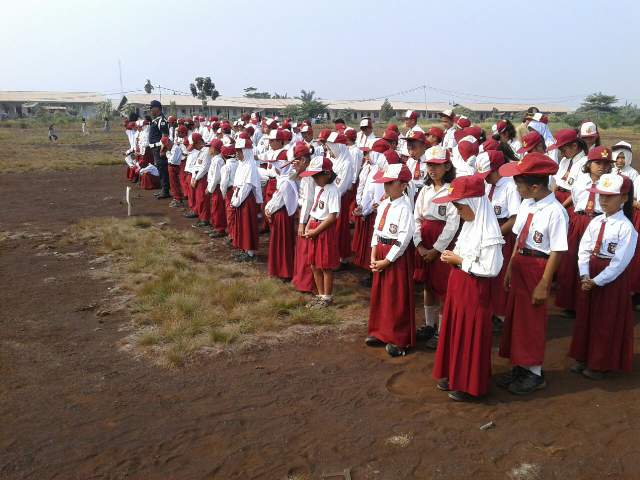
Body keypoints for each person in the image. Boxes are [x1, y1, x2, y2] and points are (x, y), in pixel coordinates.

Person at [497, 153, 568, 395]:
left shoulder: (556, 211)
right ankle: (520, 366)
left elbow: (557, 250)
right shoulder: (527, 204)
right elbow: (518, 238)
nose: (515, 187)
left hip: (538, 267)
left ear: (535, 186)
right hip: (520, 264)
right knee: (517, 318)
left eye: (519, 183)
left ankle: (534, 372)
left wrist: (545, 284)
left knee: (532, 322)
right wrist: (509, 267)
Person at [431, 174, 504, 402]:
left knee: (470, 334)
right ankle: (454, 374)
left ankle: (469, 383)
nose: (459, 212)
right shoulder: (470, 225)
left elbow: (491, 268)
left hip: (474, 289)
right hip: (460, 286)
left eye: (460, 207)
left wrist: (460, 261)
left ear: (474, 204)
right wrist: (453, 258)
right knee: (456, 331)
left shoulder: (489, 232)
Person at [570, 174, 637, 379]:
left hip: (610, 280)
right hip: (590, 272)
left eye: (610, 196)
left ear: (624, 198)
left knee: (605, 320)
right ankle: (583, 356)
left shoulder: (627, 228)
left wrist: (597, 281)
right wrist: (584, 274)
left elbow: (619, 262)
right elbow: (584, 248)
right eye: (601, 196)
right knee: (586, 317)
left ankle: (600, 363)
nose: (603, 200)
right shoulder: (596, 221)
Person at [366, 163, 416, 357]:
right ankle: (380, 331)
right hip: (380, 249)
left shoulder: (405, 208)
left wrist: (388, 259)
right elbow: (377, 230)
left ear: (403, 185)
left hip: (394, 256)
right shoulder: (385, 203)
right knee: (381, 294)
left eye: (390, 183)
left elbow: (404, 239)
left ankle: (399, 338)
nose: (386, 187)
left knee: (396, 295)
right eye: (385, 183)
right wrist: (373, 253)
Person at [556, 146, 613, 315]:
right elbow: (575, 199)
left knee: (593, 261)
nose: (601, 166)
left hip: (599, 221)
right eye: (597, 163)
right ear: (588, 164)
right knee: (572, 260)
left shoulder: (611, 183)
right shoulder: (580, 181)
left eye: (605, 163)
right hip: (579, 220)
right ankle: (571, 304)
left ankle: (590, 304)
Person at [413, 146, 459, 349]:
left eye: (437, 165)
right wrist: (419, 245)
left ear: (447, 166)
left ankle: (442, 331)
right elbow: (416, 218)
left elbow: (452, 224)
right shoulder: (425, 189)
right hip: (425, 237)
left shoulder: (452, 190)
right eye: (430, 165)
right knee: (427, 285)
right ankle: (429, 324)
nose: (432, 169)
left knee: (443, 287)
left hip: (442, 241)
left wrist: (436, 249)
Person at [476, 150, 521, 326]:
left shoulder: (510, 187)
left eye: (488, 174)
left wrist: (495, 235)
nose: (485, 178)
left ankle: (501, 316)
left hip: (503, 236)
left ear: (497, 169)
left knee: (501, 275)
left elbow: (514, 218)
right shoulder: (487, 185)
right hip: (487, 234)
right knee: (487, 273)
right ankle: (490, 311)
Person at [300, 156, 341, 308]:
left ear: (327, 174)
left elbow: (332, 216)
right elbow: (315, 209)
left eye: (317, 175)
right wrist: (308, 224)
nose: (314, 179)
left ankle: (327, 298)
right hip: (314, 228)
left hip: (324, 230)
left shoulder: (333, 191)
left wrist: (316, 230)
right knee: (314, 264)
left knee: (325, 265)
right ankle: (320, 294)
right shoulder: (319, 189)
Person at [265, 149, 298, 280]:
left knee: (282, 243)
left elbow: (278, 200)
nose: (276, 168)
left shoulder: (286, 181)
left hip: (282, 214)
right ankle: (280, 269)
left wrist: (268, 209)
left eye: (278, 165)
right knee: (281, 242)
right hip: (281, 213)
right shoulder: (285, 179)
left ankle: (285, 271)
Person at [324, 132, 355, 267]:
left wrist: (328, 190)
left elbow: (341, 186)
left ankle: (342, 258)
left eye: (331, 148)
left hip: (339, 198)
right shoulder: (336, 160)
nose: (330, 151)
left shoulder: (346, 163)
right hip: (332, 196)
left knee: (340, 229)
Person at [230, 137, 263, 262]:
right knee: (242, 224)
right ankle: (244, 248)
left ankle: (250, 252)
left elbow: (247, 186)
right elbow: (238, 184)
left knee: (247, 225)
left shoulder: (250, 166)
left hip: (247, 199)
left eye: (240, 151)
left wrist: (237, 200)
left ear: (247, 151)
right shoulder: (242, 165)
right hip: (240, 197)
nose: (237, 154)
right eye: (237, 151)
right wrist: (236, 197)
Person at [291, 142, 316, 294]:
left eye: (296, 161)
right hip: (305, 214)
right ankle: (301, 279)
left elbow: (308, 201)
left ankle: (306, 283)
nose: (294, 165)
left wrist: (302, 223)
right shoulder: (305, 174)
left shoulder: (309, 177)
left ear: (304, 161)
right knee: (302, 250)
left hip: (308, 216)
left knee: (306, 251)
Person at [547, 129, 587, 205]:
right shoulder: (564, 160)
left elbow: (577, 192)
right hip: (557, 198)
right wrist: (551, 199)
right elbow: (556, 182)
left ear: (574, 146)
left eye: (563, 150)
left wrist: (562, 206)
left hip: (570, 202)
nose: (562, 154)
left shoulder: (585, 163)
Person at [147, 100, 171, 199]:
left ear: (157, 108)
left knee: (163, 169)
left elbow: (165, 136)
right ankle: (163, 189)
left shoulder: (162, 120)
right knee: (160, 169)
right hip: (155, 148)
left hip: (159, 148)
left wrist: (162, 150)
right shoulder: (156, 120)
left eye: (151, 108)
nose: (150, 110)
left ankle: (165, 191)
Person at [206, 139, 227, 238]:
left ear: (214, 149)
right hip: (214, 186)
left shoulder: (218, 160)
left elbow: (216, 177)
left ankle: (220, 229)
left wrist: (210, 188)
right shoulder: (215, 159)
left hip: (217, 187)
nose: (209, 149)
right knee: (214, 207)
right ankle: (216, 226)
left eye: (210, 147)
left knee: (218, 208)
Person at [190, 134, 212, 229]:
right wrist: (193, 177)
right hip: (198, 177)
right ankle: (202, 217)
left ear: (199, 142)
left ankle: (205, 219)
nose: (194, 147)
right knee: (199, 199)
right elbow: (196, 165)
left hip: (203, 177)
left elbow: (204, 167)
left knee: (203, 199)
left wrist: (196, 178)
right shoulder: (201, 150)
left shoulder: (206, 151)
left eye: (194, 145)